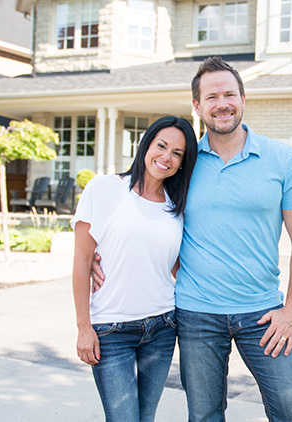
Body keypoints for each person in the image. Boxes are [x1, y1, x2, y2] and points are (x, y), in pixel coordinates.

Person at [93, 56, 292, 421]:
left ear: (243, 99)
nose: (222, 103)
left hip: (262, 311)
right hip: (196, 314)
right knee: (204, 416)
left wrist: (291, 311)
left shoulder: (282, 159)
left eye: (229, 94)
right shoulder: (184, 163)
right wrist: (93, 252)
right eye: (211, 97)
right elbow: (142, 211)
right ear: (197, 106)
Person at [71, 115, 198, 422]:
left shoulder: (175, 206)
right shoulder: (105, 188)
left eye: (177, 154)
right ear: (146, 145)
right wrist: (83, 327)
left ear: (183, 163)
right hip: (112, 329)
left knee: (145, 417)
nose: (166, 157)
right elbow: (81, 261)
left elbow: (177, 266)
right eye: (162, 146)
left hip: (163, 327)